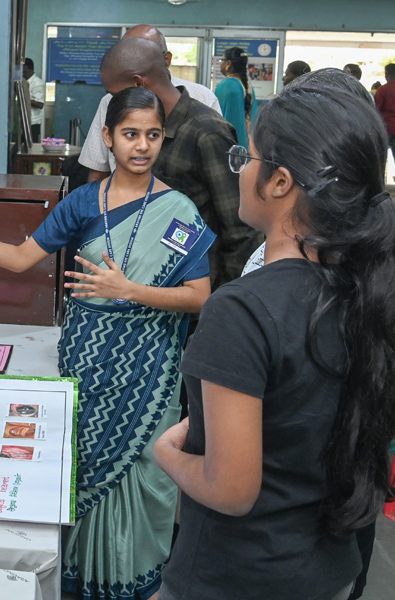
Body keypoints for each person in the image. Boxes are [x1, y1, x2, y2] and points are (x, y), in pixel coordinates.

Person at [0, 87, 215, 600]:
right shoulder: (82, 203)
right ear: (108, 137)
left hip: (147, 378)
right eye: (130, 134)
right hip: (86, 368)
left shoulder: (178, 211)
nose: (141, 146)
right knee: (79, 479)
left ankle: (137, 586)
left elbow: (201, 296)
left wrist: (130, 291)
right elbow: (20, 259)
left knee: (142, 478)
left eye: (152, 135)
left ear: (162, 138)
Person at [155, 68, 395, 600]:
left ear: (280, 182)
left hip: (238, 576)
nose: (240, 169)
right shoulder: (366, 289)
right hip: (329, 570)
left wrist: (167, 452)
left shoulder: (241, 310)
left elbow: (231, 490)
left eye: (248, 157)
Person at [98, 36, 261, 289]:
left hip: (195, 291)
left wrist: (224, 298)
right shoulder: (145, 133)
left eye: (114, 95)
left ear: (139, 84)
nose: (113, 104)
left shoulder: (207, 133)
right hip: (148, 286)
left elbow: (240, 229)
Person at [80, 24, 222, 183]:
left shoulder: (203, 100)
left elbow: (222, 182)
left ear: (166, 60)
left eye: (153, 135)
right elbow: (97, 170)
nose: (142, 146)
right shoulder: (111, 100)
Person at [215, 46, 258, 148]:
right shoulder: (247, 86)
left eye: (222, 60)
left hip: (228, 145)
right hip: (246, 144)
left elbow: (216, 115)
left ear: (228, 63)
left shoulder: (227, 85)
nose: (221, 64)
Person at [374, 63, 395, 163]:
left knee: (381, 156)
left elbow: (376, 109)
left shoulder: (382, 90)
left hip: (387, 128)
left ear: (387, 75)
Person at [23, 58, 45, 142]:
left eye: (24, 71)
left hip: (33, 123)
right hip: (23, 121)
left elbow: (40, 104)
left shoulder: (37, 83)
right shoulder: (23, 81)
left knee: (31, 147)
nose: (22, 73)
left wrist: (25, 99)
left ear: (29, 69)